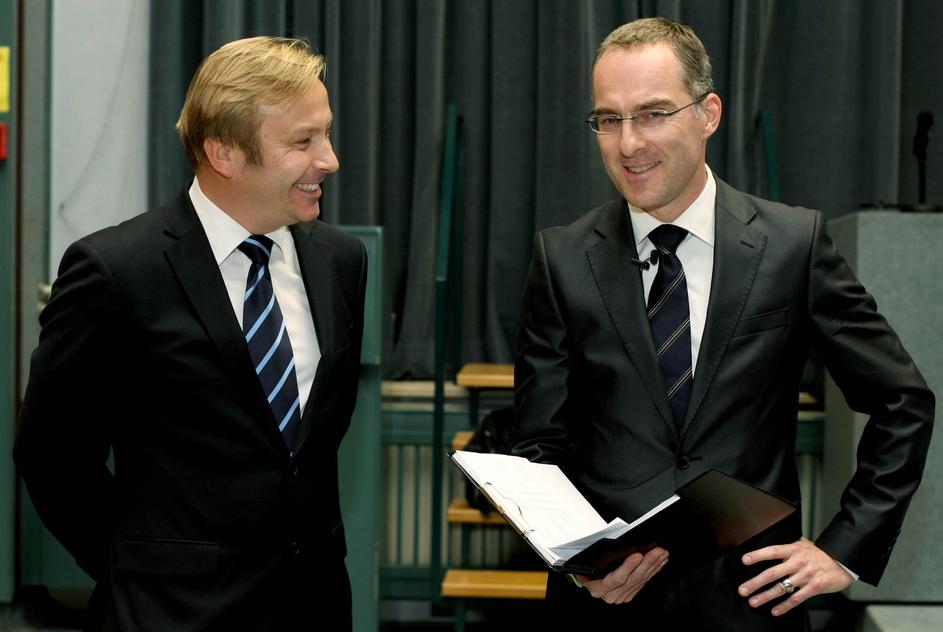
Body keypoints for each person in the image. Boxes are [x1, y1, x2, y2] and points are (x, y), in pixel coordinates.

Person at [512, 17, 933, 630]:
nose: (627, 144)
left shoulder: (792, 245)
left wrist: (844, 547)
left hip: (754, 603)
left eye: (653, 114)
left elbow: (902, 402)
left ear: (708, 114)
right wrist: (579, 564)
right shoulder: (561, 259)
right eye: (609, 118)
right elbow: (537, 449)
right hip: (604, 606)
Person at [14, 36, 366, 631]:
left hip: (314, 606)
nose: (329, 159)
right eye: (303, 141)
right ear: (223, 152)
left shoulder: (341, 260)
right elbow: (51, 454)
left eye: (326, 133)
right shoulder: (117, 270)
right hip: (169, 612)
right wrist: (137, 572)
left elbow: (310, 448)